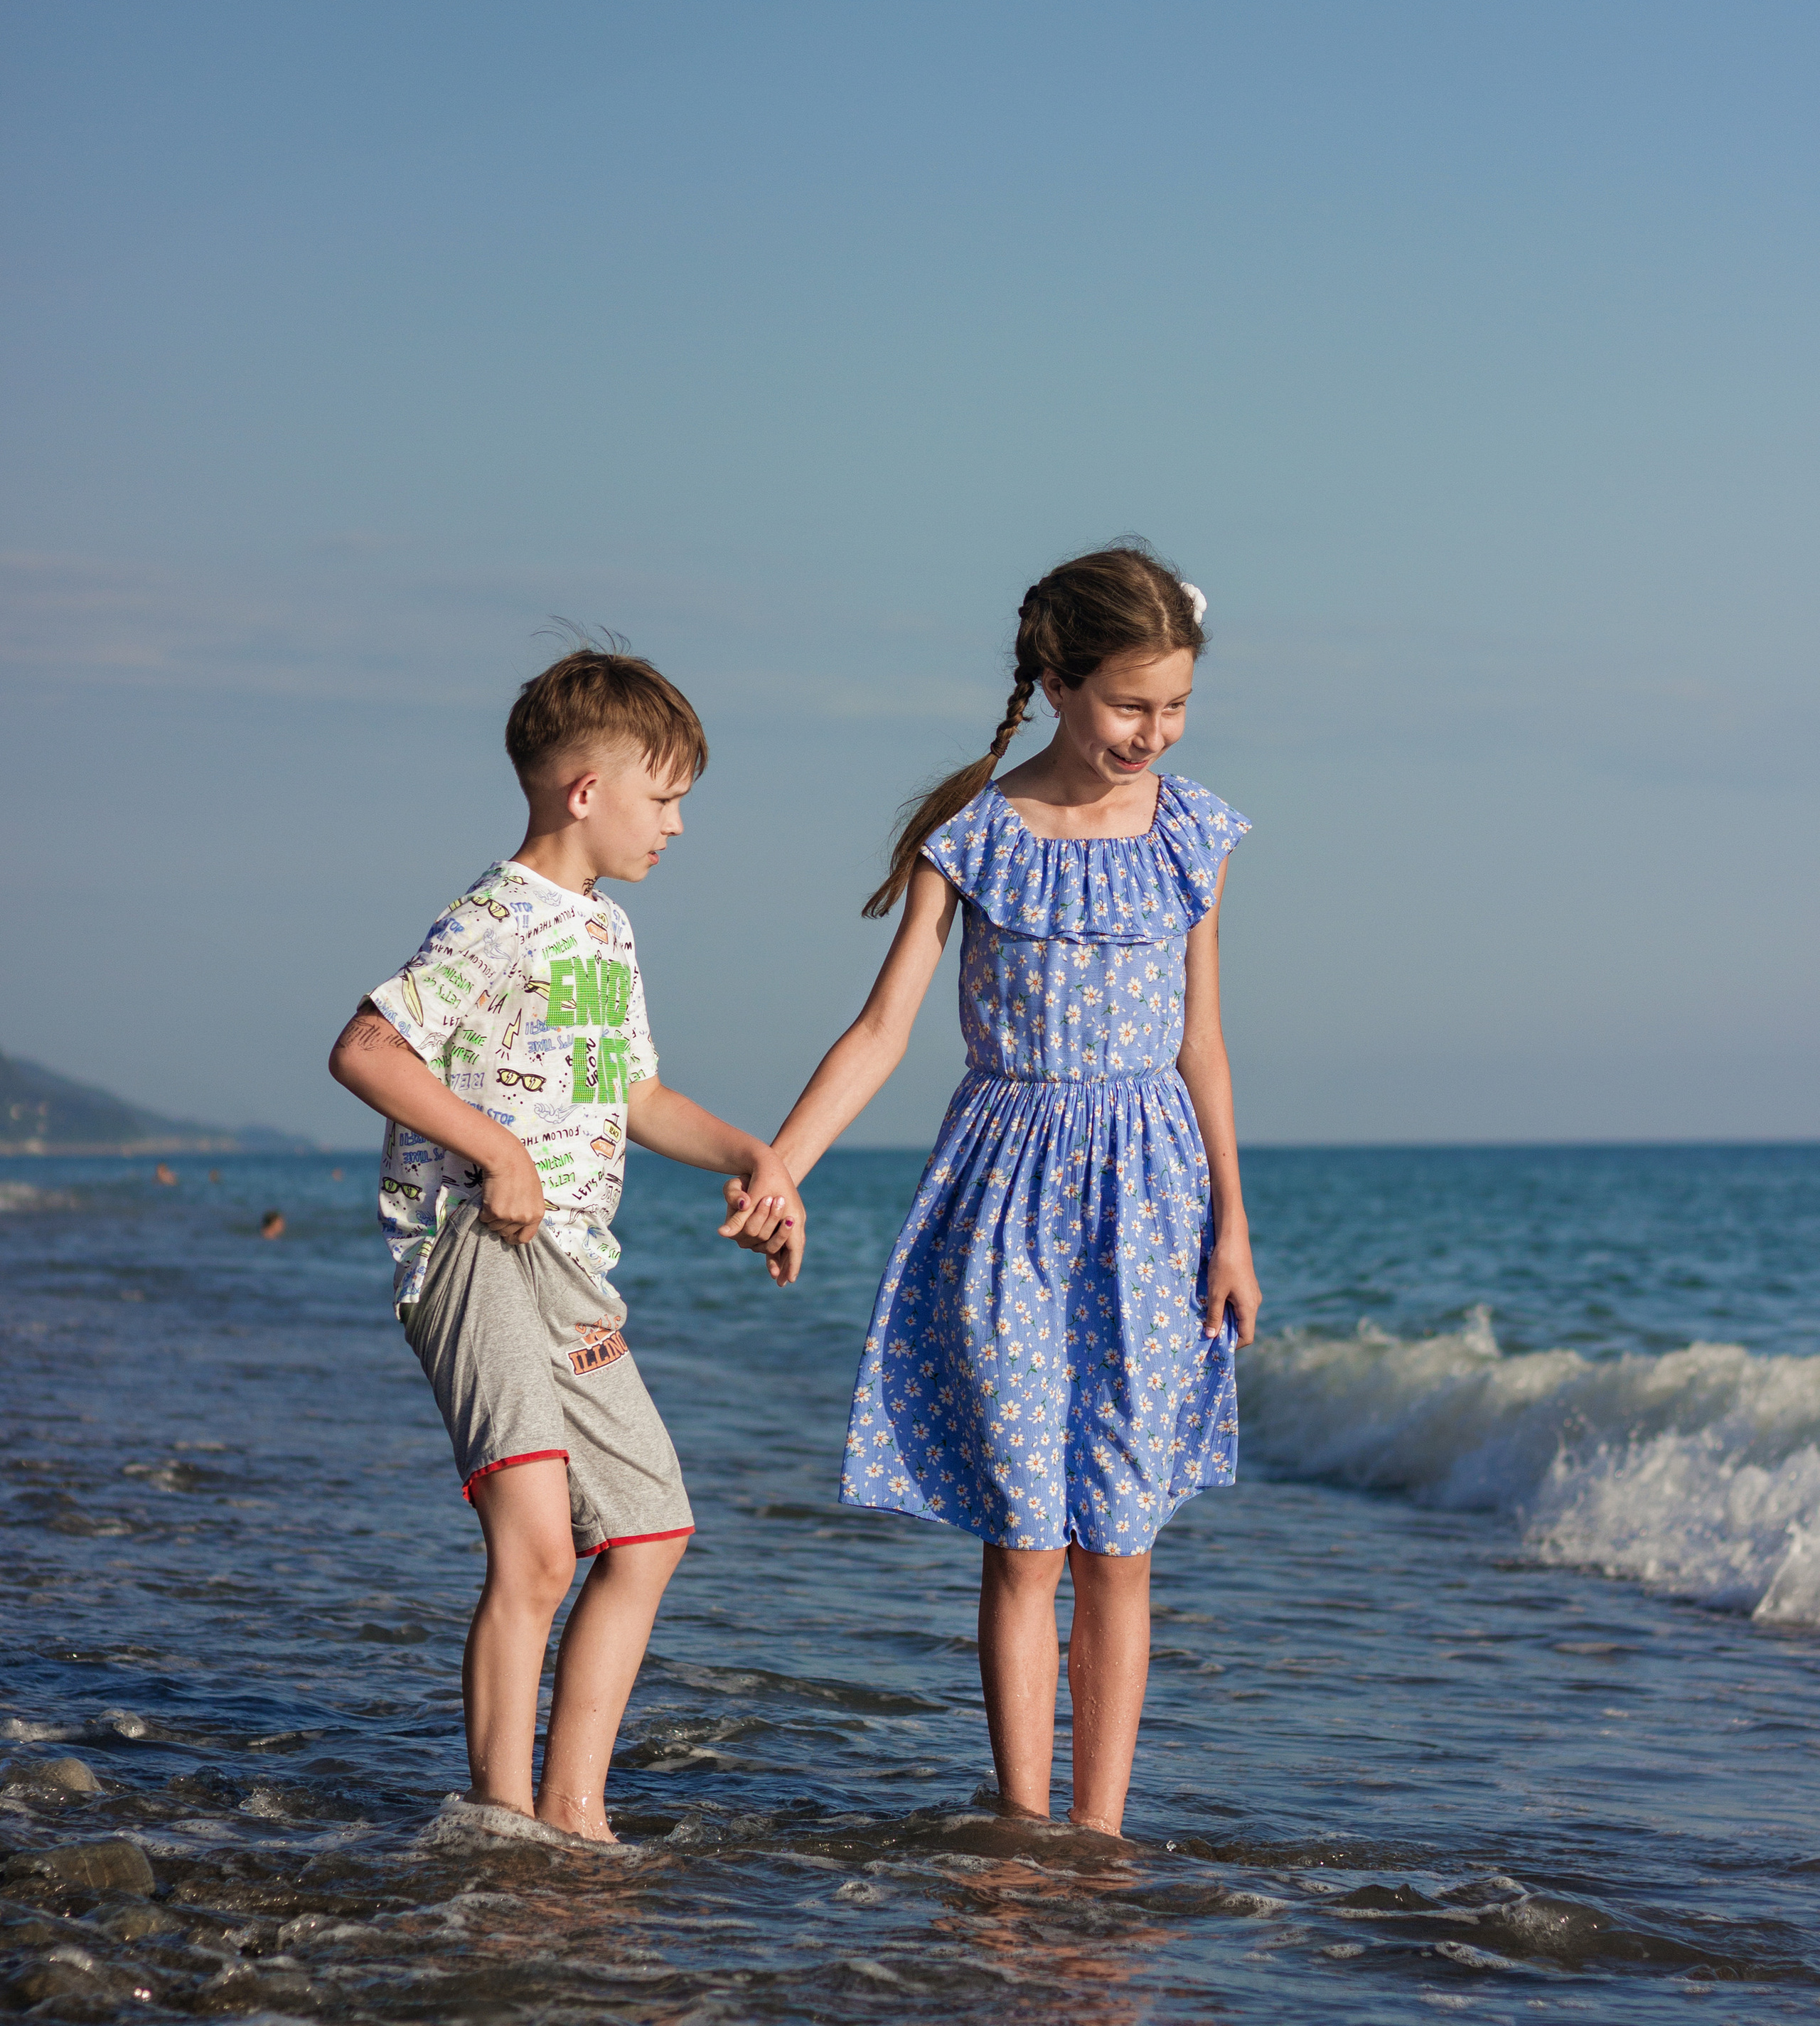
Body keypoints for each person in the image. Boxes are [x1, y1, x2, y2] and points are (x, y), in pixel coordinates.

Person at [745, 548, 1260, 1838]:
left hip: (1154, 1200)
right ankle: (1025, 1832)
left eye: (1176, 706)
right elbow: (880, 1034)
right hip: (1007, 1198)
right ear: (1055, 679)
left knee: (1122, 1542)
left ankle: (1102, 1838)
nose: (1155, 733)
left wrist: (1233, 1225)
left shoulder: (1194, 834)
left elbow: (1203, 1041)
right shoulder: (969, 841)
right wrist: (781, 1164)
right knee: (1029, 1537)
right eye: (1130, 705)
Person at [330, 646, 803, 1840]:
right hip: (475, 1251)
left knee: (648, 1528)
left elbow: (636, 1096)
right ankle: (499, 1821)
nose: (680, 826)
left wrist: (754, 1156)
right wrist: (499, 1150)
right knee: (537, 1552)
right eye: (667, 796)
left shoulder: (608, 934)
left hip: (575, 1269)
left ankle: (576, 1813)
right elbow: (369, 1052)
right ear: (586, 791)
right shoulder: (497, 918)